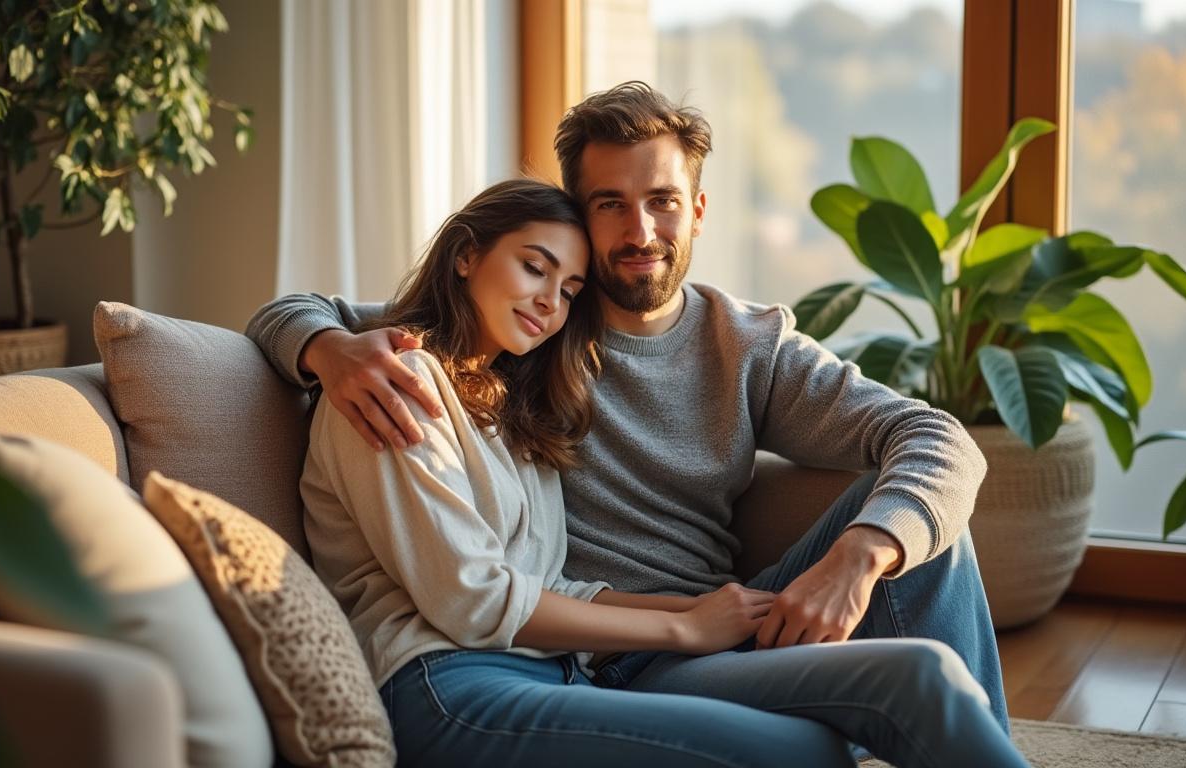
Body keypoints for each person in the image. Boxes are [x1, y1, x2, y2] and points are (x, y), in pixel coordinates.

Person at [258, 84, 1029, 767]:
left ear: (695, 209)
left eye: (661, 199)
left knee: (921, 530)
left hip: (708, 621)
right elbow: (298, 312)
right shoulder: (519, 329)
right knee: (859, 716)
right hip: (599, 653)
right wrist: (328, 352)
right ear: (577, 216)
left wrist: (861, 555)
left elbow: (940, 439)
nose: (639, 231)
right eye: (608, 205)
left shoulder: (744, 342)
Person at [300, 178, 861, 767]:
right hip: (444, 684)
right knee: (796, 749)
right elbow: (475, 600)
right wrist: (684, 632)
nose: (550, 302)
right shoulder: (391, 386)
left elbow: (551, 586)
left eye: (569, 290)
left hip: (552, 673)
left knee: (820, 740)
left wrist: (704, 610)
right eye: (534, 268)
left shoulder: (513, 416)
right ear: (465, 255)